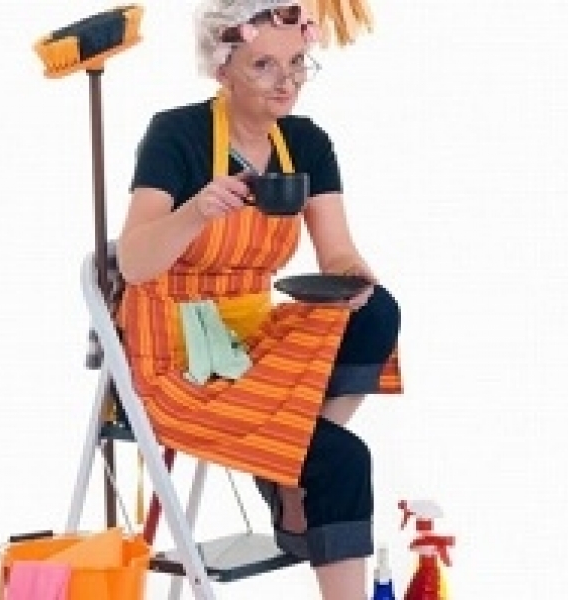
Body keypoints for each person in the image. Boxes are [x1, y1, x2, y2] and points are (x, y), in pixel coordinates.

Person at [115, 1, 401, 597]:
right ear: (222, 67)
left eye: (297, 63)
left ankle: (284, 471)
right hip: (178, 354)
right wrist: (196, 211)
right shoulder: (178, 134)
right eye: (264, 65)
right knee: (340, 459)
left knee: (378, 311)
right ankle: (293, 468)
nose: (286, 81)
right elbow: (134, 261)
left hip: (252, 336)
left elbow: (338, 253)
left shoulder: (306, 142)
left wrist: (354, 276)